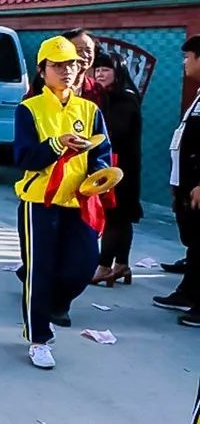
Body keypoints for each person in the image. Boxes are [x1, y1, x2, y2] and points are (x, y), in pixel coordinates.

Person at [14, 35, 111, 369]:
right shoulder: (29, 109)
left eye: (71, 64)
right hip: (39, 201)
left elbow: (101, 152)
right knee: (40, 270)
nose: (66, 71)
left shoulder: (90, 110)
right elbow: (25, 156)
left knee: (84, 264)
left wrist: (96, 176)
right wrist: (57, 143)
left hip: (77, 201)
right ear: (43, 71)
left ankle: (48, 307)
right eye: (57, 65)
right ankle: (38, 337)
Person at [153, 35, 200, 326]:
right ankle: (188, 292)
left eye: (188, 57)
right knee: (195, 242)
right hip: (186, 182)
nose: (184, 63)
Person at [89, 51, 142, 288]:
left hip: (121, 165)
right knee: (121, 215)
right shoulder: (108, 97)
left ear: (118, 72)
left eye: (106, 69)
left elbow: (115, 133)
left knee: (115, 214)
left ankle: (103, 266)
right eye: (97, 69)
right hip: (115, 163)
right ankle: (122, 264)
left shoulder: (125, 98)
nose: (100, 73)